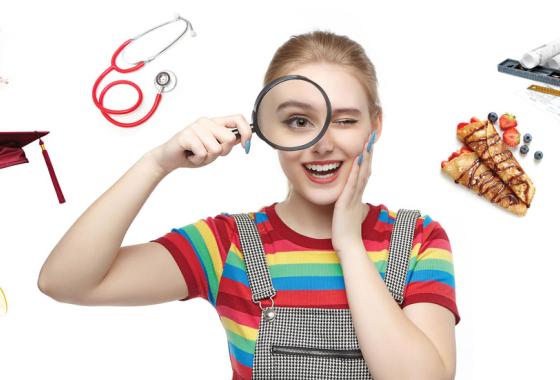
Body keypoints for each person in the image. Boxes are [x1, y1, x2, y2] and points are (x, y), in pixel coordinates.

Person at [38, 30, 460, 379]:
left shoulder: (418, 239)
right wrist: (156, 163)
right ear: (265, 127)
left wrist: (348, 243)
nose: (324, 143)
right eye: (298, 121)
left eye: (346, 120)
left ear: (375, 126)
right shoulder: (228, 245)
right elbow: (66, 282)